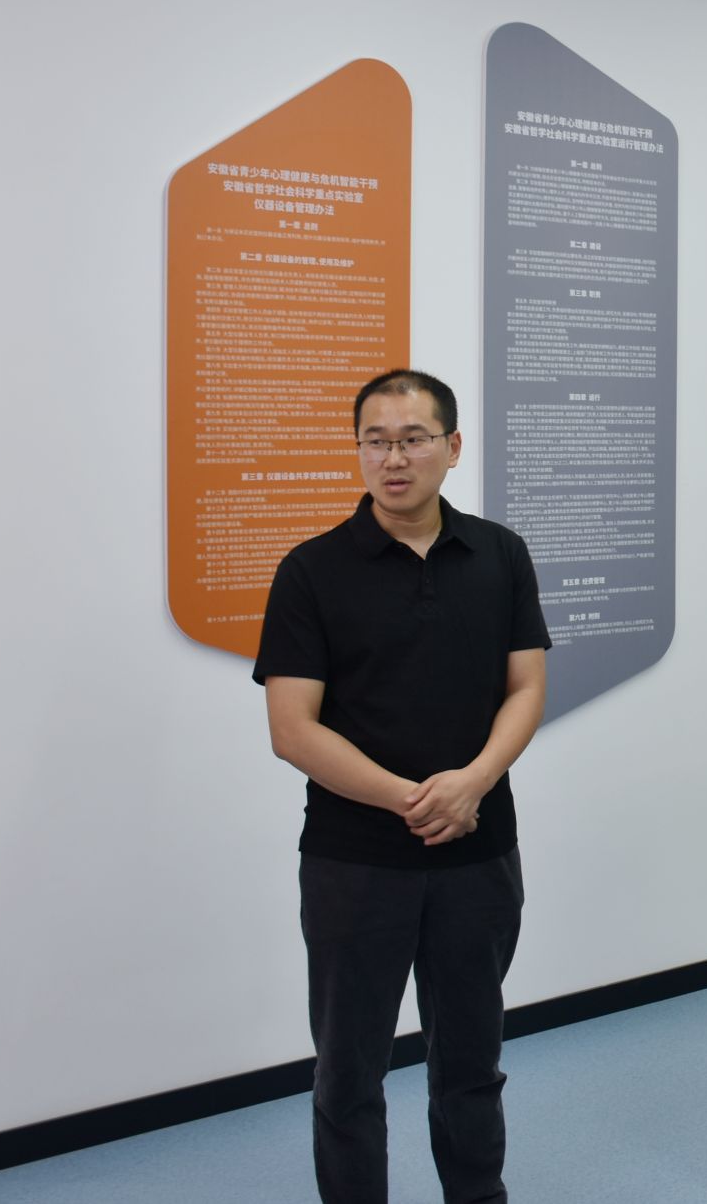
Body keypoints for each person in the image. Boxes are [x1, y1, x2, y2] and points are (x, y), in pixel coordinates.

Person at [254, 369, 550, 1203]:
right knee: (348, 1073)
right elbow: (292, 728)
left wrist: (474, 783)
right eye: (376, 441)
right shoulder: (311, 570)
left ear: (451, 447)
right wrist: (411, 798)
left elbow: (527, 687)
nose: (394, 458)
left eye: (413, 439)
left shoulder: (500, 554)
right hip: (355, 863)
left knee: (471, 1064)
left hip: (478, 855)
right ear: (358, 450)